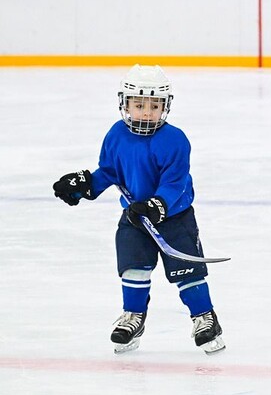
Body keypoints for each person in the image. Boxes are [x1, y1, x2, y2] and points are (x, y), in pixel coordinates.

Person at [52, 65, 225, 355]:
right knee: (133, 268)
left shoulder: (175, 140)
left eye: (154, 105)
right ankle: (133, 316)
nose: (146, 112)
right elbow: (109, 171)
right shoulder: (116, 135)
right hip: (134, 219)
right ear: (126, 104)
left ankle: (204, 318)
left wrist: (156, 205)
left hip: (174, 218)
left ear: (165, 106)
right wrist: (84, 186)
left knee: (188, 272)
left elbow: (174, 183)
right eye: (139, 104)